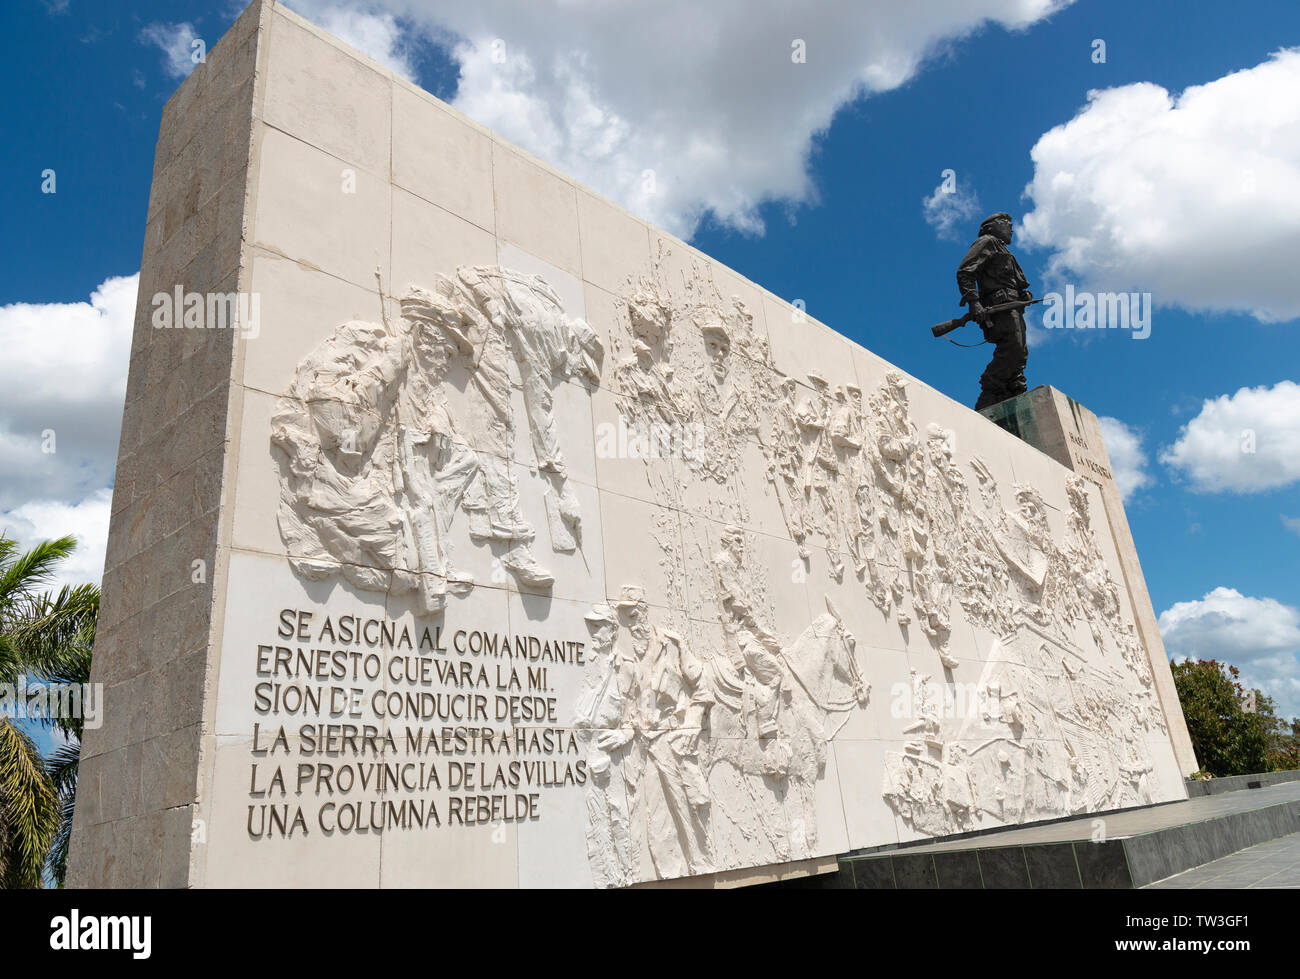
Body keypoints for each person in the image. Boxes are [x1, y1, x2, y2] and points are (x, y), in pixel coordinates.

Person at [955, 212, 1033, 411]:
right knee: (1013, 347)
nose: (1012, 228)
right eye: (1007, 223)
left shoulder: (1004, 250)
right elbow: (965, 272)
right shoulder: (987, 242)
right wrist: (974, 302)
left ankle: (1013, 392)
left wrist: (1023, 295)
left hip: (1013, 306)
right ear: (993, 226)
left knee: (1021, 353)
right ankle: (990, 392)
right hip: (997, 308)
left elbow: (1013, 282)